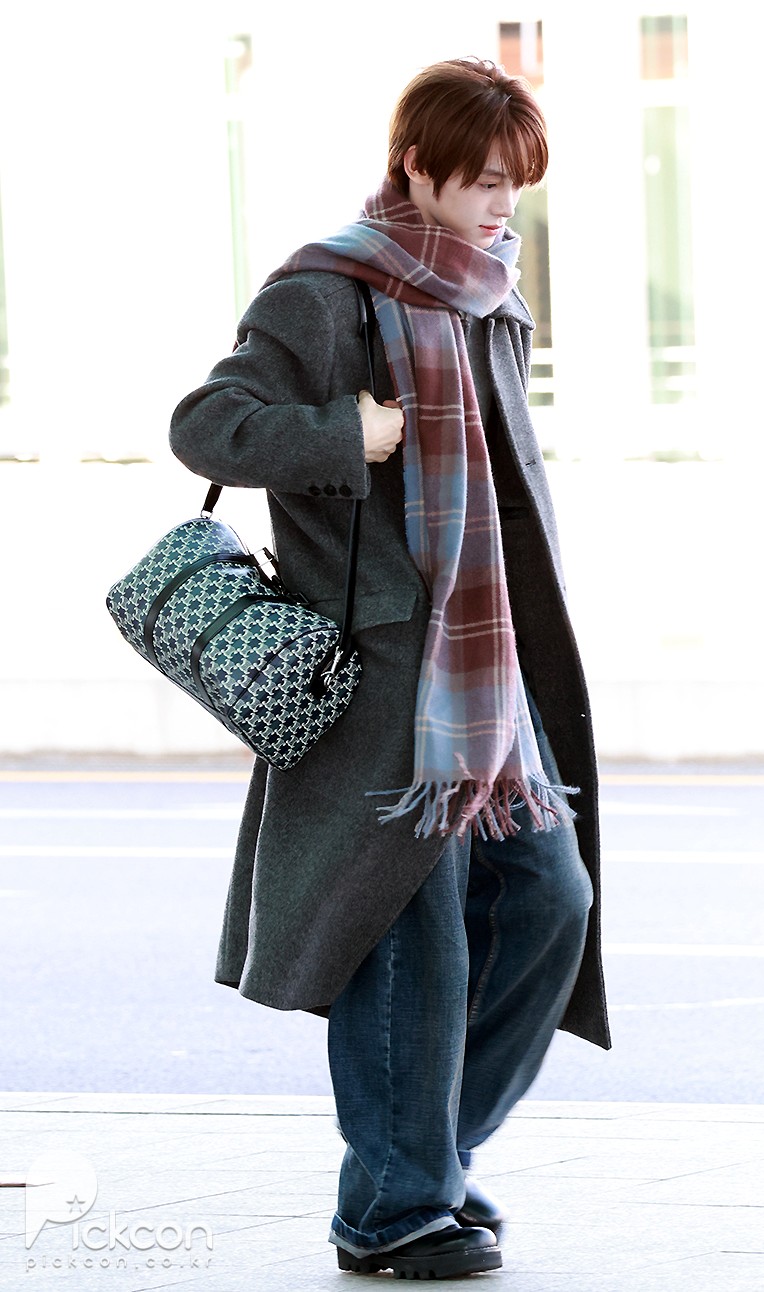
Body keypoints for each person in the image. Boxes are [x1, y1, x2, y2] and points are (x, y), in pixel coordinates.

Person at [169, 55, 610, 1279]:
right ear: (416, 165)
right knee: (410, 940)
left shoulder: (489, 292)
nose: (502, 205)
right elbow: (206, 426)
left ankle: (418, 1165)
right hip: (379, 672)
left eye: (515, 185)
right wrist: (344, 432)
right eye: (482, 181)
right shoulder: (326, 290)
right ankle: (396, 1205)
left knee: (551, 903)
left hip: (484, 667)